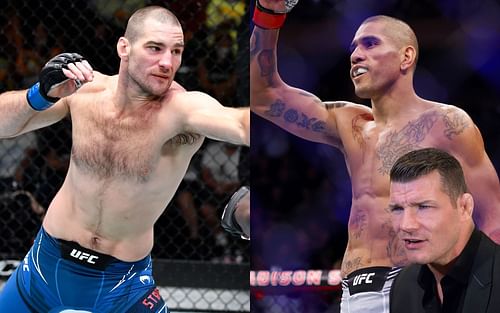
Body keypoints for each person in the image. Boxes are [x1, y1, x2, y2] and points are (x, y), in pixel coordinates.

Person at [250, 1, 500, 312]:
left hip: (420, 288)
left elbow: (492, 216)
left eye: (370, 44)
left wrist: (485, 293)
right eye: (353, 48)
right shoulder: (349, 124)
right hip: (355, 293)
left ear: (406, 56)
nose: (355, 56)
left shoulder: (447, 124)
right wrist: (269, 15)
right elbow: (263, 95)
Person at [0, 5, 249, 313]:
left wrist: (320, 122)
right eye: (155, 48)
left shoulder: (183, 111)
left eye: (176, 51)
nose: (167, 62)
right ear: (124, 47)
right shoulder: (84, 92)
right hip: (43, 268)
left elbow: (242, 124)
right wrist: (39, 94)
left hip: (122, 288)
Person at [388, 148, 500, 313]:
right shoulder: (403, 286)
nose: (406, 225)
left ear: (464, 207)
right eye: (397, 209)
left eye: (423, 207)